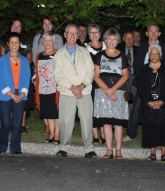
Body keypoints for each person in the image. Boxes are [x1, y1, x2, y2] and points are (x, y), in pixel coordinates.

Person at [54, 24, 97, 158]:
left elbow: (91, 70)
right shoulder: (59, 54)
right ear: (65, 35)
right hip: (67, 92)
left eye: (75, 34)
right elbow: (58, 75)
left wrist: (82, 86)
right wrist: (72, 87)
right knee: (66, 121)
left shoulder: (84, 52)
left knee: (86, 120)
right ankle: (64, 147)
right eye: (69, 33)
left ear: (78, 36)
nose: (72, 36)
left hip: (84, 92)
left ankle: (89, 148)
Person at [123, 23, 165, 142]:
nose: (153, 34)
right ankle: (131, 134)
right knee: (136, 108)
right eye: (150, 31)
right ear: (147, 33)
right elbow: (137, 66)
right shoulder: (141, 48)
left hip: (159, 85)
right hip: (143, 84)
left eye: (155, 31)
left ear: (159, 34)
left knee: (158, 110)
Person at [93, 29, 129, 159]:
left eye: (114, 39)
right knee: (106, 123)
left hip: (118, 91)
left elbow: (125, 76)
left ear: (118, 41)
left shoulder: (122, 55)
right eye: (109, 39)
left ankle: (118, 151)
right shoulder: (99, 55)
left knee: (118, 123)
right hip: (102, 91)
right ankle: (109, 150)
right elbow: (96, 76)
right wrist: (107, 91)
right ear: (105, 40)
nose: (112, 41)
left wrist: (112, 89)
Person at [0, 32, 31, 154]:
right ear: (8, 45)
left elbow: (27, 79)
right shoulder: (1, 60)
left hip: (21, 95)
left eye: (16, 42)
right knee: (6, 122)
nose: (14, 44)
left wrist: (21, 94)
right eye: (12, 42)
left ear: (20, 44)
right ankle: (1, 146)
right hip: (5, 95)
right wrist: (12, 94)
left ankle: (15, 148)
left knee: (17, 123)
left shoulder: (25, 61)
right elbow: (0, 80)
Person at [137, 45, 165, 161]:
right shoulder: (143, 70)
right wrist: (148, 102)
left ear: (160, 55)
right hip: (148, 104)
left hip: (163, 104)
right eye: (152, 54)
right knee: (150, 126)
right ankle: (152, 152)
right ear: (149, 55)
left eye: (156, 54)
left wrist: (162, 101)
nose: (154, 56)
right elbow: (140, 88)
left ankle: (164, 152)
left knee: (163, 126)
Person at [0, 18, 32, 134]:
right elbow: (2, 59)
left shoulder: (26, 41)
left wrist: (24, 71)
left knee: (21, 101)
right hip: (9, 77)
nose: (16, 28)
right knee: (10, 101)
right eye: (14, 25)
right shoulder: (4, 41)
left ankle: (21, 125)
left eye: (19, 26)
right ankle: (11, 125)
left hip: (22, 75)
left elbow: (29, 57)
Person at [34, 31, 60, 144]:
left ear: (54, 41)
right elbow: (38, 74)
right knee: (48, 113)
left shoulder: (59, 54)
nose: (47, 42)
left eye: (50, 40)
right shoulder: (38, 56)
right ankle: (52, 134)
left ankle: (57, 135)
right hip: (43, 89)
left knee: (55, 113)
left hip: (55, 89)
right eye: (45, 40)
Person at [85, 24, 107, 145]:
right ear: (88, 35)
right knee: (92, 108)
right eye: (91, 32)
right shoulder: (84, 47)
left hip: (103, 81)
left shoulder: (106, 46)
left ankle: (104, 134)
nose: (94, 35)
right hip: (90, 82)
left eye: (96, 32)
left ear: (100, 34)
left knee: (102, 107)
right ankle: (95, 135)